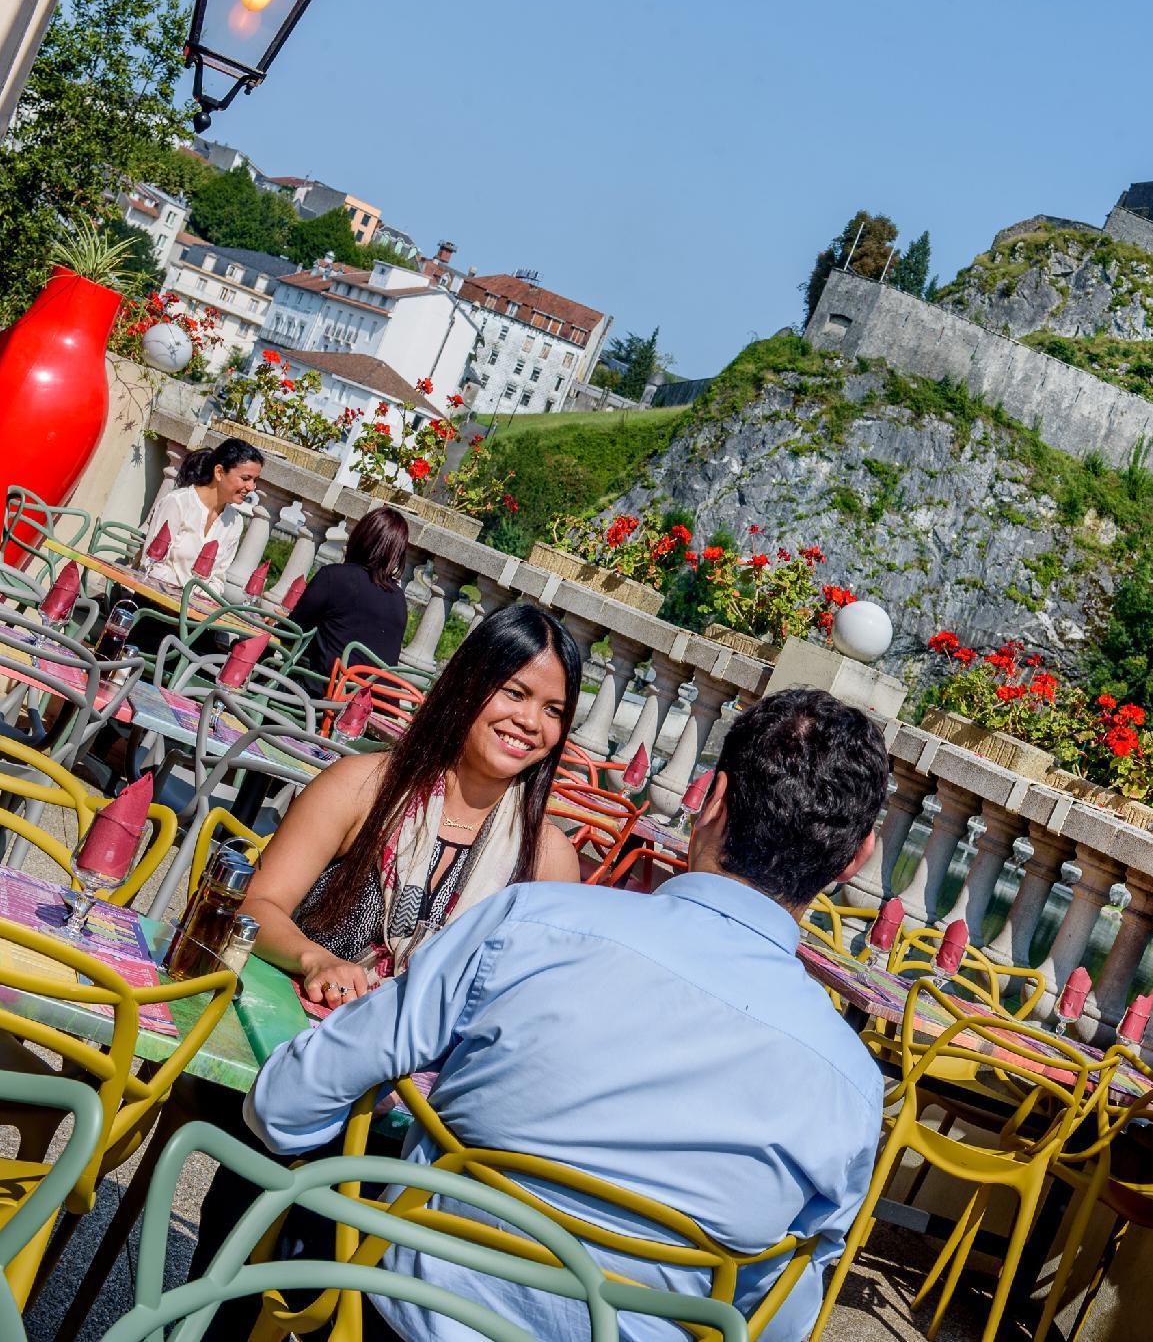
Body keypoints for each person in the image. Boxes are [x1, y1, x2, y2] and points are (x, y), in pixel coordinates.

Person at [245, 687, 890, 1342]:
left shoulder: (532, 921)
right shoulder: (852, 1089)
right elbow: (775, 1316)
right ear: (856, 857)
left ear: (711, 798)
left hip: (406, 1320)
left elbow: (290, 1100)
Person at [241, 601, 585, 1006]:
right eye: (515, 692)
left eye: (553, 710)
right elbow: (254, 904)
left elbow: (540, 1000)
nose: (531, 721)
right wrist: (315, 960)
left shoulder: (548, 859)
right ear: (467, 684)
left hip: (420, 1067)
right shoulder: (363, 787)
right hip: (287, 1031)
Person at [287, 505, 410, 682]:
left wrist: (277, 623)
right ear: (397, 553)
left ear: (360, 537)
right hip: (374, 702)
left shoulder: (334, 577)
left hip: (327, 699)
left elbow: (293, 633)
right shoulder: (398, 598)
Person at [138, 437, 264, 592]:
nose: (251, 487)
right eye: (245, 478)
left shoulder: (235, 522)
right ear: (219, 472)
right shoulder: (178, 503)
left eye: (255, 480)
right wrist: (183, 595)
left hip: (192, 611)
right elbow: (150, 564)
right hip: (152, 598)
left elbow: (218, 580)